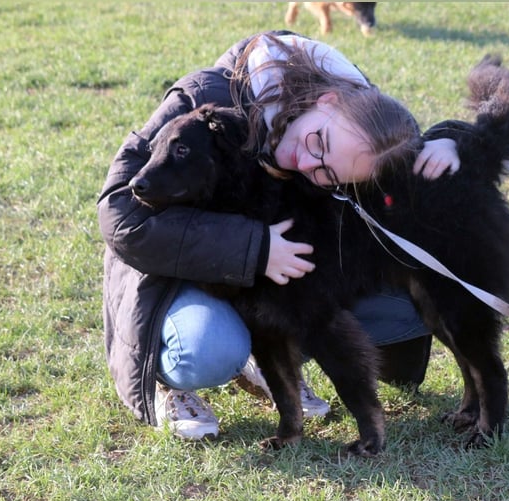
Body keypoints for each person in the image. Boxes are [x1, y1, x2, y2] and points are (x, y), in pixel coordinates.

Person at [97, 31, 460, 440]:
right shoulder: (204, 96)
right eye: (316, 142)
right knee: (207, 348)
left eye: (326, 173)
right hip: (175, 273)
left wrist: (452, 139)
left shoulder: (357, 115)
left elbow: (402, 140)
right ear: (327, 103)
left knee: (410, 304)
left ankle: (271, 355)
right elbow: (120, 213)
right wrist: (255, 247)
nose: (306, 162)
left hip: (274, 278)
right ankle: (174, 380)